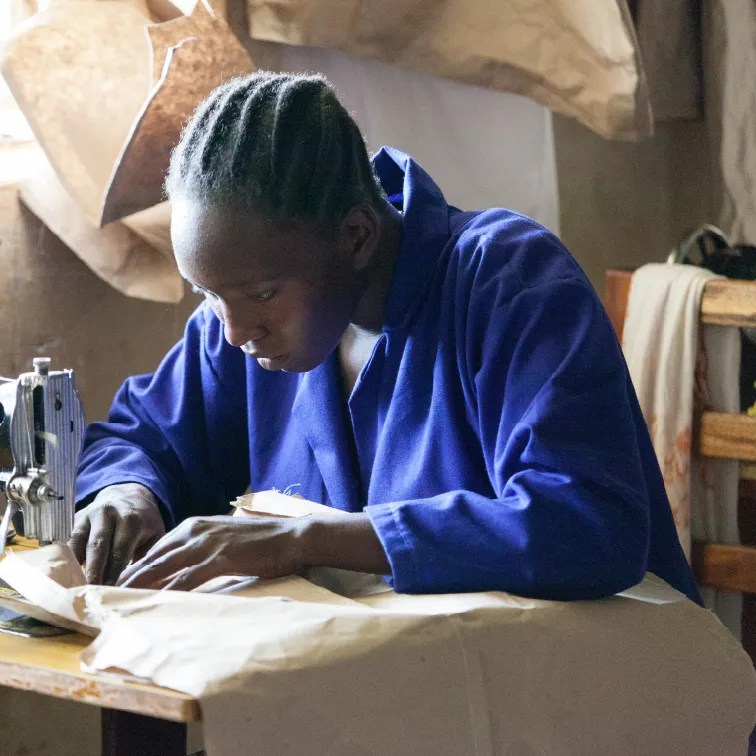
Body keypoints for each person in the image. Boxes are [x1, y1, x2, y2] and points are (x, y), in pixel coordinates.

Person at [68, 71, 700, 603]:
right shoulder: (245, 318)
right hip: (399, 682)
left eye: (261, 295)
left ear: (355, 238)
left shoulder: (507, 281)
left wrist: (304, 539)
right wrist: (126, 490)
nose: (233, 332)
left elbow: (587, 525)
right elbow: (139, 435)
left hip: (582, 683)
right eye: (208, 295)